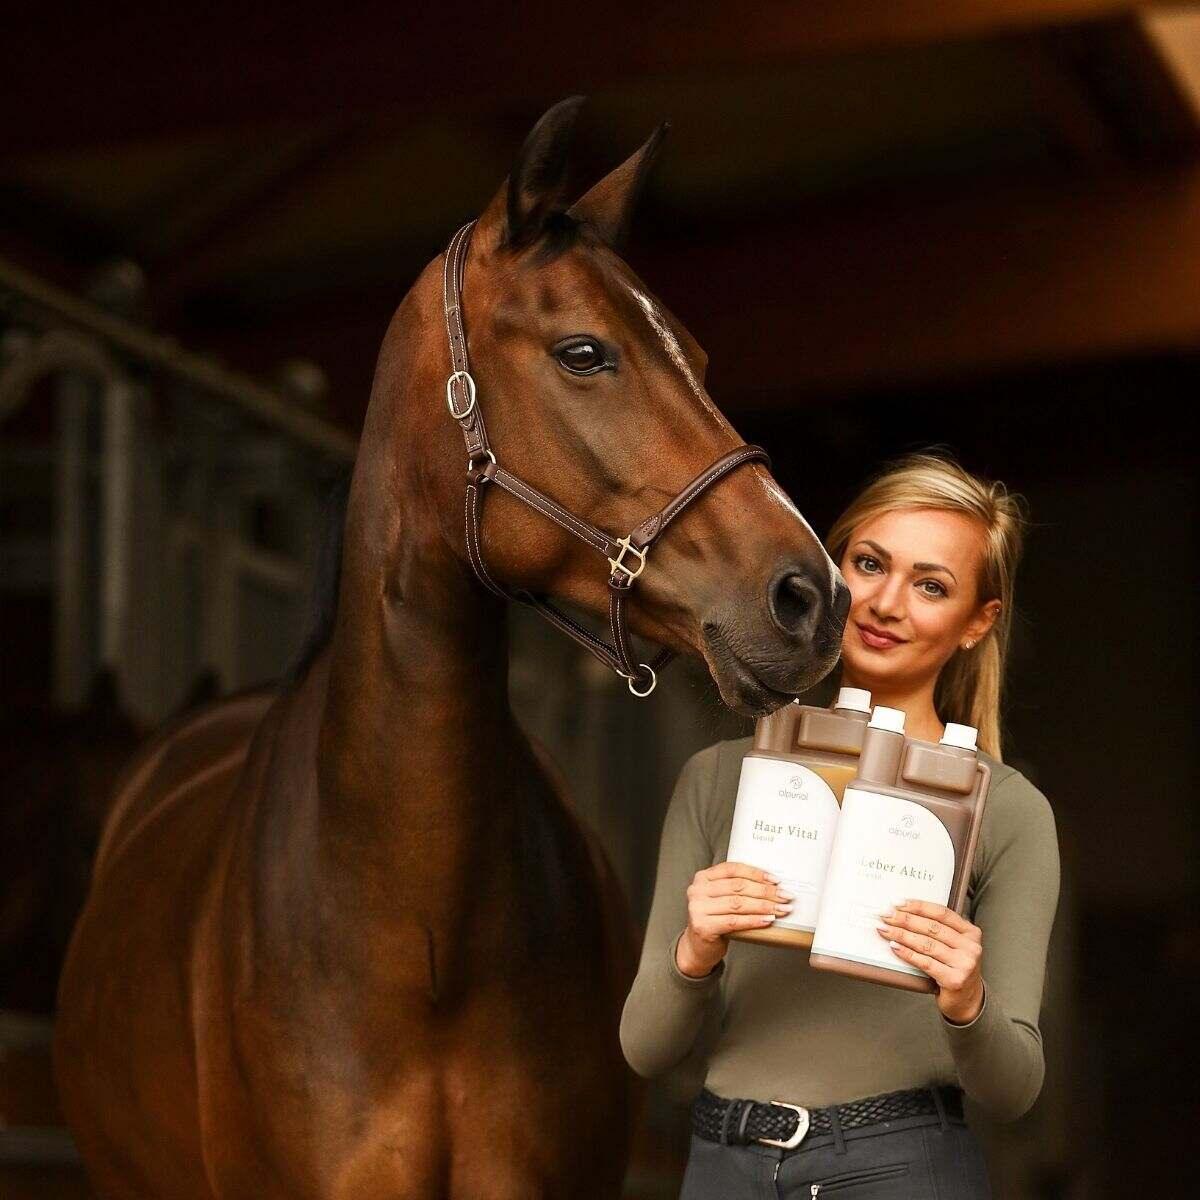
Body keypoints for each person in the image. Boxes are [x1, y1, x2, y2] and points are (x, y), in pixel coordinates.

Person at [620, 453, 1060, 1198]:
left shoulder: (1008, 809)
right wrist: (695, 951)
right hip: (724, 1163)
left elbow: (1015, 1090)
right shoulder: (720, 776)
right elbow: (643, 1048)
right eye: (869, 564)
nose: (886, 603)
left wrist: (967, 1002)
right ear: (831, 570)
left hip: (899, 1166)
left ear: (977, 622)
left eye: (931, 586)